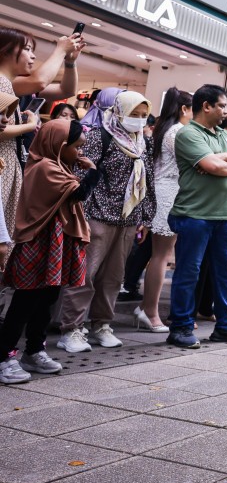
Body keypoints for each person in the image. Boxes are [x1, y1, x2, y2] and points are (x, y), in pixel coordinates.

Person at [57, 91, 155, 352]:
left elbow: (148, 181)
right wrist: (81, 215)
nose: (139, 120)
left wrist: (145, 216)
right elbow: (81, 174)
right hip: (97, 215)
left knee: (114, 277)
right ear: (119, 111)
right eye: (135, 114)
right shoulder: (100, 136)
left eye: (144, 115)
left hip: (128, 218)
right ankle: (72, 329)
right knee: (85, 274)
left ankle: (102, 324)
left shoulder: (143, 143)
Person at [0, 120, 96, 384]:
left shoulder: (61, 165)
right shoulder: (45, 167)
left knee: (47, 298)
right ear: (60, 145)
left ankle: (34, 350)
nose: (80, 153)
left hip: (56, 242)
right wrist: (93, 171)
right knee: (25, 302)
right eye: (76, 148)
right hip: (39, 242)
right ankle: (4, 356)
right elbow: (78, 193)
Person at [165, 84, 227, 349]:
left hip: (224, 216)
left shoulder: (223, 134)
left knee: (226, 272)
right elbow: (212, 165)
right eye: (222, 106)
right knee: (188, 273)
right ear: (206, 106)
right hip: (194, 214)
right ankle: (181, 327)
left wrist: (223, 160)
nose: (225, 112)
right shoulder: (187, 134)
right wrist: (226, 161)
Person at [0, 27, 84, 255]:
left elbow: (67, 89)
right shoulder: (5, 82)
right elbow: (39, 81)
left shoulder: (13, 84)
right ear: (6, 51)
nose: (33, 56)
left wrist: (70, 61)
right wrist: (60, 49)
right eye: (27, 49)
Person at [131, 87, 192, 333]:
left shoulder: (164, 129)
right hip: (170, 195)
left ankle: (148, 308)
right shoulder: (178, 131)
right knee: (162, 256)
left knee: (160, 255)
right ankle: (149, 311)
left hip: (165, 193)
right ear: (185, 109)